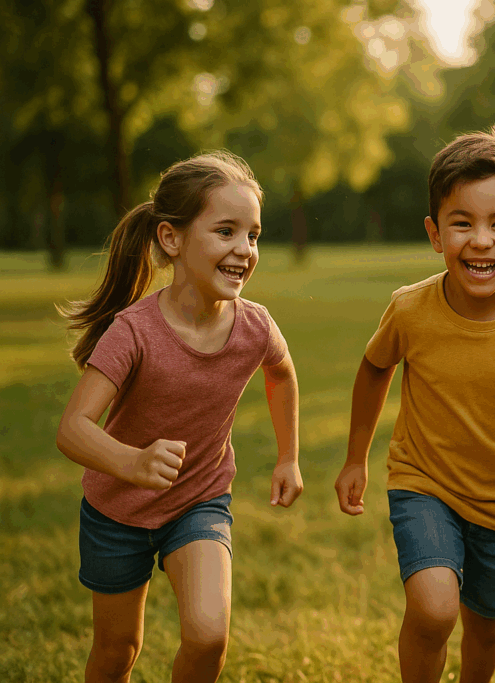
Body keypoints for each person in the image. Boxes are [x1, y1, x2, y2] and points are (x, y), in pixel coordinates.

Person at [334, 127, 495, 683]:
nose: (480, 241)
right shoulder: (410, 309)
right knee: (433, 608)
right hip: (422, 481)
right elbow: (375, 367)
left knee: (487, 624)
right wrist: (356, 458)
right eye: (462, 223)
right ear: (434, 232)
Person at [55, 151, 303, 683]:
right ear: (172, 239)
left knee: (209, 634)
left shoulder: (254, 326)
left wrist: (289, 457)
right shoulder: (134, 331)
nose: (244, 249)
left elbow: (281, 373)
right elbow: (72, 428)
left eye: (253, 235)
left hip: (199, 501)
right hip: (115, 513)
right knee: (118, 650)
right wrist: (133, 461)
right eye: (225, 231)